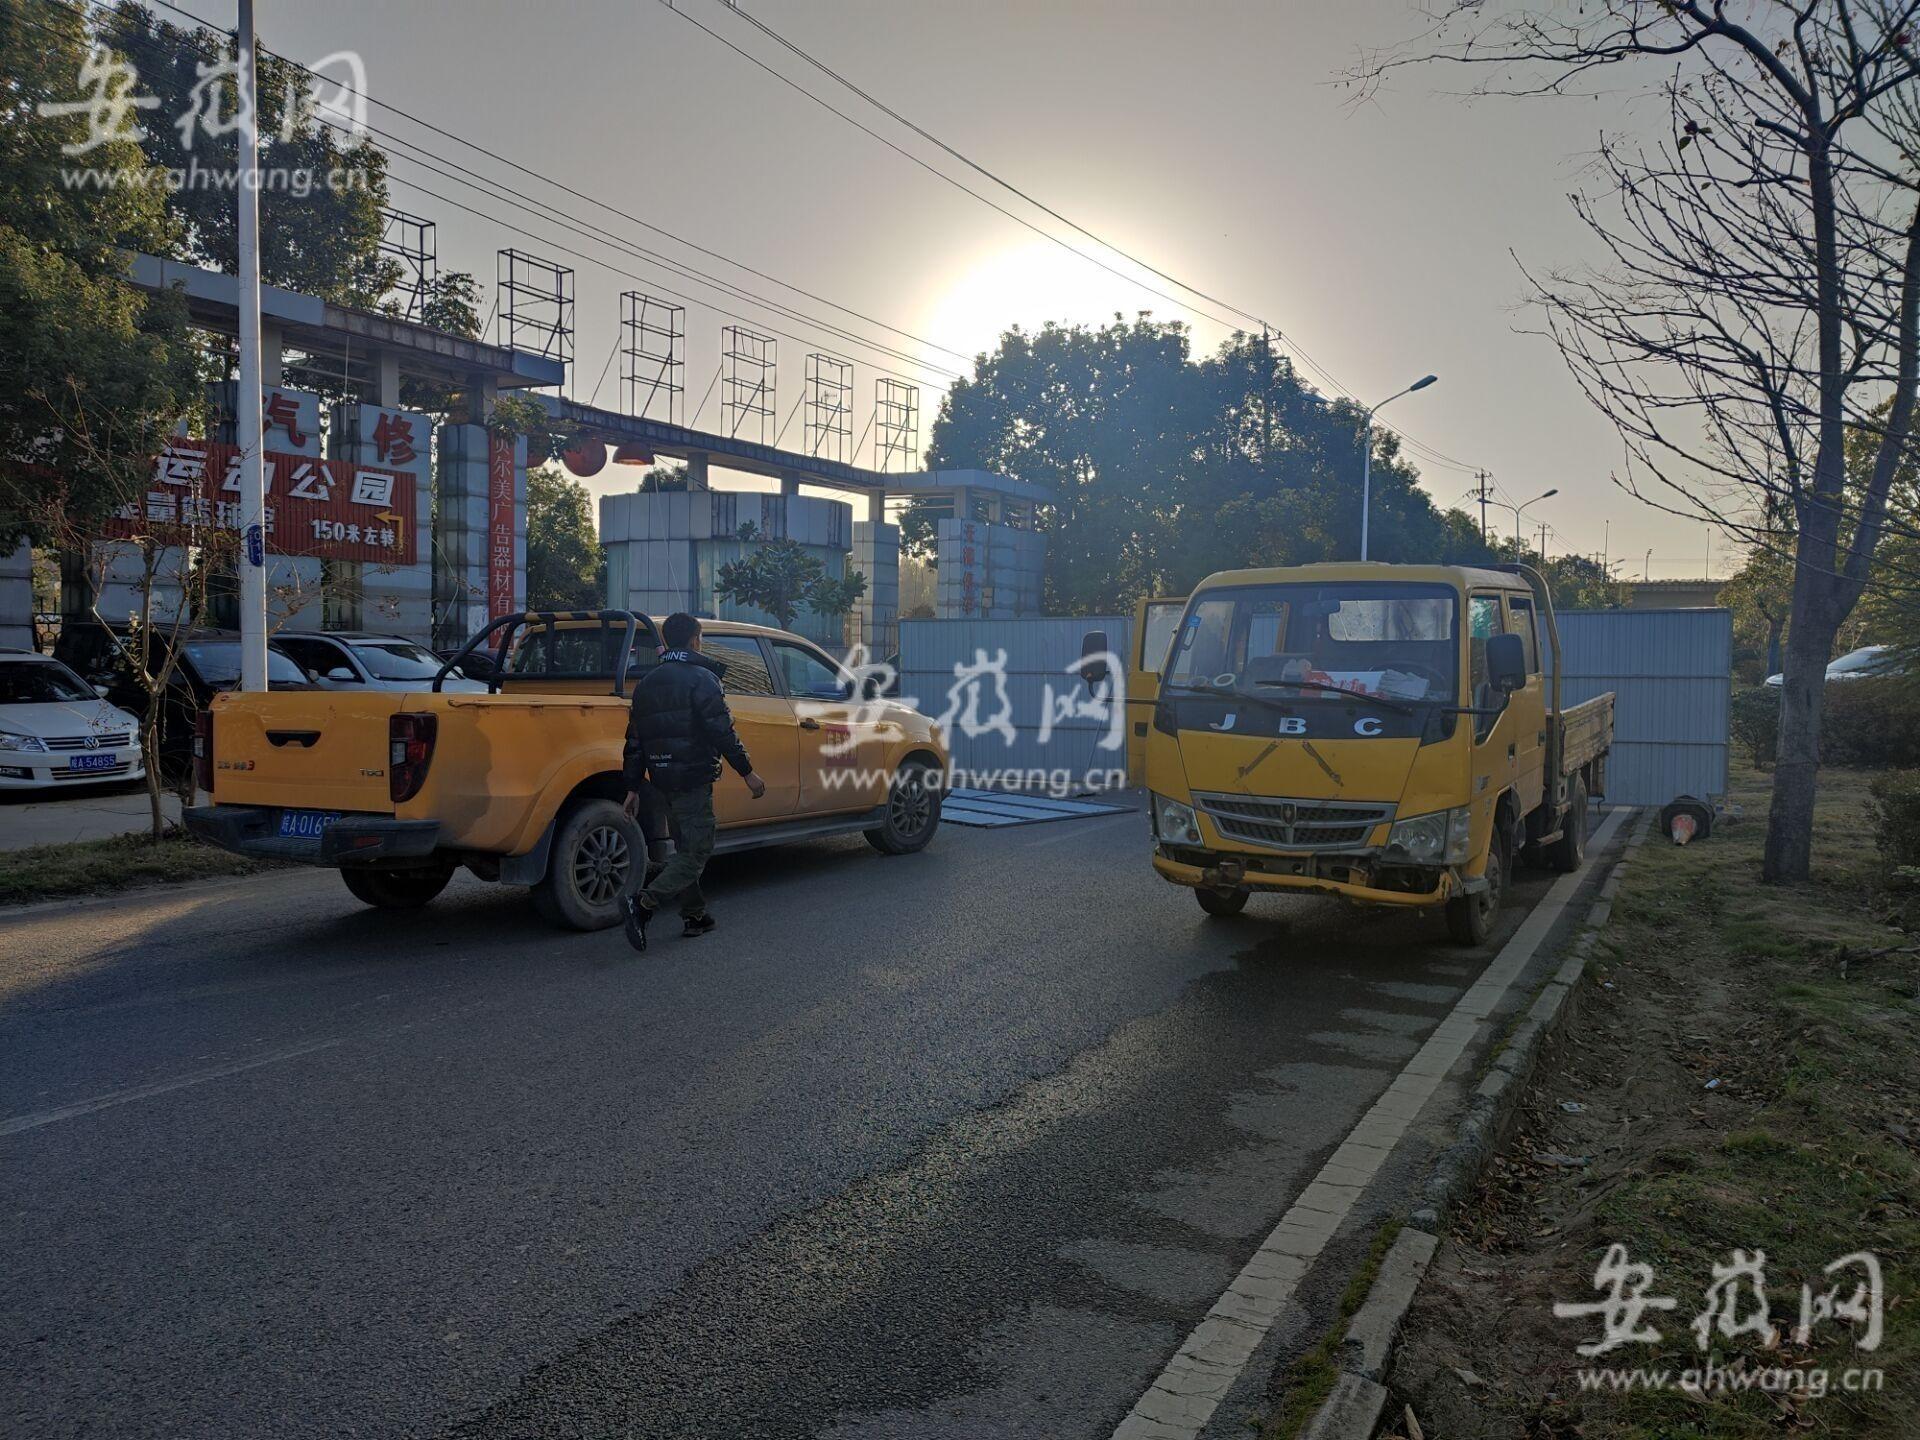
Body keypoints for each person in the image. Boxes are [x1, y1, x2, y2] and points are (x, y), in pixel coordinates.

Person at [621, 613, 766, 950]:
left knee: (685, 850)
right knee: (697, 851)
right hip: (692, 778)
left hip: (661, 780)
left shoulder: (646, 683)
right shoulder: (703, 678)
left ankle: (695, 915)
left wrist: (631, 787)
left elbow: (634, 741)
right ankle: (643, 903)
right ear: (695, 640)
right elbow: (722, 731)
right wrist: (747, 772)